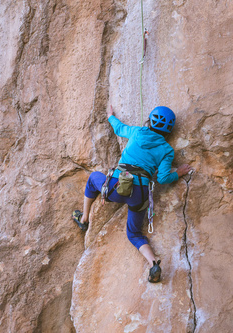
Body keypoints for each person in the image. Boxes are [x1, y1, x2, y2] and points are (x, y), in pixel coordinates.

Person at [72, 105, 192, 283]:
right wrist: (179, 173)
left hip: (116, 187)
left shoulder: (138, 132)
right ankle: (153, 264)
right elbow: (164, 178)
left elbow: (119, 128)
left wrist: (111, 116)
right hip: (140, 194)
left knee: (93, 179)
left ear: (150, 121)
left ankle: (84, 219)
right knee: (134, 234)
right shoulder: (167, 150)